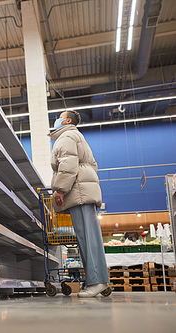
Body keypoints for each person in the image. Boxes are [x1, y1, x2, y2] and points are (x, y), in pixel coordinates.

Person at [50, 110, 109, 297]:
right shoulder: (75, 136)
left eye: (59, 117)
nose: (56, 120)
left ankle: (97, 281)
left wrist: (60, 189)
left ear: (67, 121)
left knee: (87, 239)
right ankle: (99, 280)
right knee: (89, 238)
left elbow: (68, 165)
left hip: (80, 192)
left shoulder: (66, 136)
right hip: (82, 191)